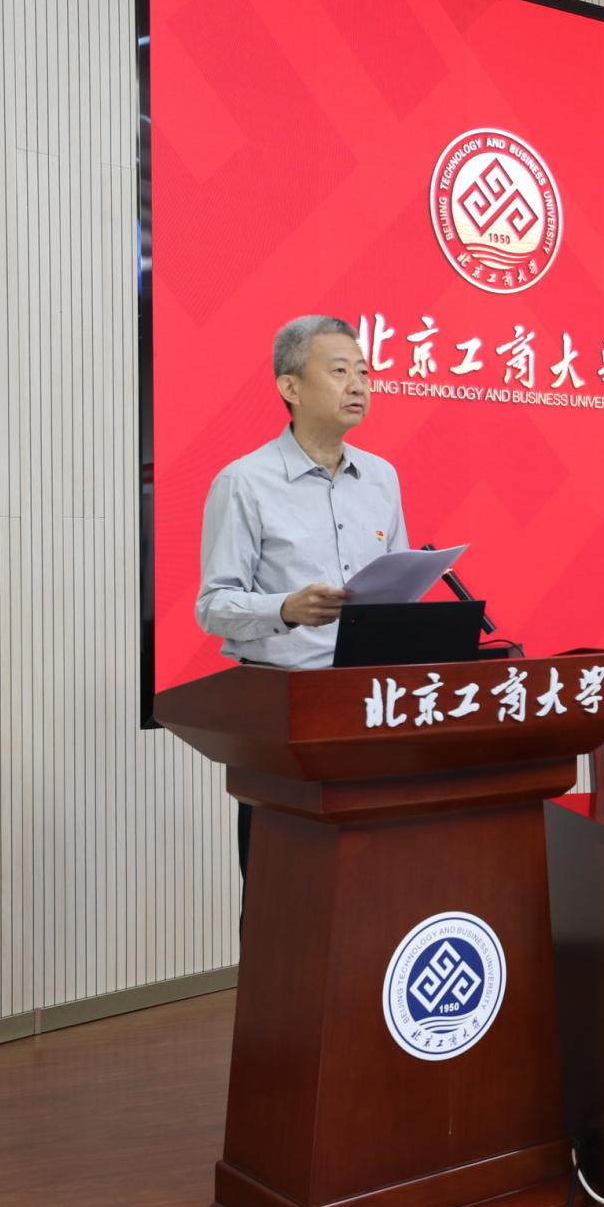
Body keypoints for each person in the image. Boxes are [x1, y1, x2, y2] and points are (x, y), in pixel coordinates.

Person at [196, 314, 407, 881]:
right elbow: (213, 605)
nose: (358, 385)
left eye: (364, 372)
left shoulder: (382, 478)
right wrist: (285, 609)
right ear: (290, 387)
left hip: (371, 709)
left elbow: (398, 591)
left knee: (374, 880)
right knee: (286, 886)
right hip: (286, 716)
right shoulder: (245, 482)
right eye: (339, 372)